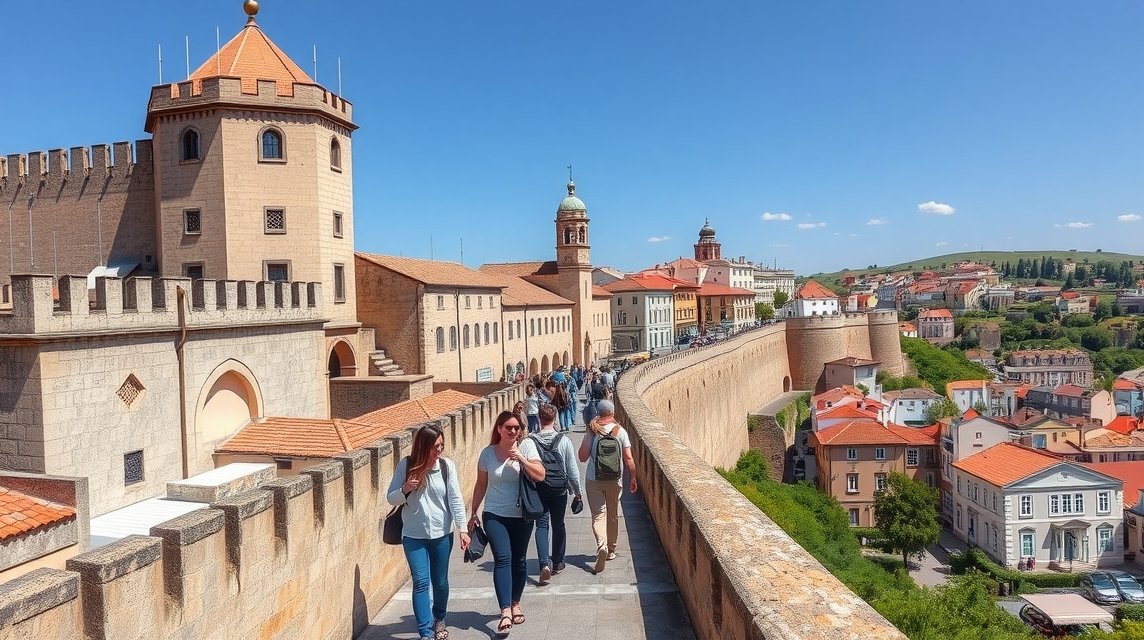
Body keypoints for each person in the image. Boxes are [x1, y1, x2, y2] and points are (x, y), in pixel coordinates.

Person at [387, 425, 470, 640]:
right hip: (414, 536)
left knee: (440, 581)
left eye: (441, 445)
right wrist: (405, 489)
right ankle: (425, 632)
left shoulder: (446, 466)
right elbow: (391, 498)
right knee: (421, 582)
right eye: (434, 447)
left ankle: (439, 618)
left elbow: (455, 499)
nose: (439, 450)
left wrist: (462, 529)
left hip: (442, 534)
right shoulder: (406, 466)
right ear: (422, 446)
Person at [469, 411, 546, 637]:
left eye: (516, 428)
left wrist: (521, 459)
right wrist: (473, 512)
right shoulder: (487, 453)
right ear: (499, 429)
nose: (513, 431)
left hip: (522, 515)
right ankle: (505, 611)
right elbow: (481, 484)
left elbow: (540, 475)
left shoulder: (527, 447)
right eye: (508, 427)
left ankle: (515, 603)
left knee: (519, 560)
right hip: (494, 514)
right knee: (503, 558)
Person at [578, 399, 637, 574]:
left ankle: (601, 545)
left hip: (593, 479)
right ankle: (611, 550)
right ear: (613, 412)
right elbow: (628, 458)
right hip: (615, 480)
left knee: (598, 515)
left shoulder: (592, 430)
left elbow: (582, 457)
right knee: (613, 514)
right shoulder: (621, 431)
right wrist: (633, 477)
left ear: (598, 412)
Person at [530, 403, 584, 583]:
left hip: (539, 489)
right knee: (558, 524)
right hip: (559, 490)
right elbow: (572, 470)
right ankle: (558, 562)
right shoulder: (564, 441)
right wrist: (577, 492)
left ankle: (544, 564)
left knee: (541, 526)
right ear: (554, 419)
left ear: (539, 419)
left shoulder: (531, 441)